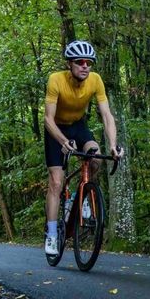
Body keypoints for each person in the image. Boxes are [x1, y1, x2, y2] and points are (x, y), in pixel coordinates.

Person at [43, 40, 124, 255]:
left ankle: (82, 196)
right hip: (56, 129)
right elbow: (48, 119)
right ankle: (51, 234)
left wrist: (114, 146)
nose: (85, 66)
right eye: (80, 62)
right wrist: (62, 141)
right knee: (56, 181)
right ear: (69, 64)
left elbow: (107, 116)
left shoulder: (95, 80)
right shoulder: (56, 80)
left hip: (78, 126)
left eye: (89, 62)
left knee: (96, 158)